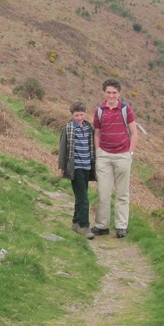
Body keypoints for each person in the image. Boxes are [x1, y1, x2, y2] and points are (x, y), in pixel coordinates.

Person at [92, 78, 138, 238]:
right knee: (103, 193)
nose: (111, 96)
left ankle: (121, 226)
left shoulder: (126, 109)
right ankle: (101, 226)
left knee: (122, 193)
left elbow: (134, 133)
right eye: (108, 92)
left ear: (119, 93)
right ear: (104, 92)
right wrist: (98, 151)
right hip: (104, 156)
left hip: (122, 156)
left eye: (114, 93)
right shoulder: (99, 110)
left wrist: (130, 153)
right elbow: (96, 133)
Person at [59, 102, 97, 239]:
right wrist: (63, 167)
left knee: (81, 196)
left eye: (81, 114)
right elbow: (63, 149)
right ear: (72, 115)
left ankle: (75, 223)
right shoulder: (68, 128)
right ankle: (84, 226)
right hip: (75, 168)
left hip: (87, 166)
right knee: (84, 198)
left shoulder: (88, 128)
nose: (79, 117)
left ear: (85, 113)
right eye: (76, 115)